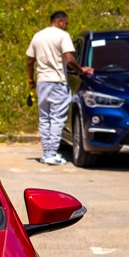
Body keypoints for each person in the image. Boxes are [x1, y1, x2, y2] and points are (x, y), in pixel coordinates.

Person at [26, 10, 91, 165]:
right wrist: (81, 70)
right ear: (60, 21)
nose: (66, 26)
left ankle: (46, 153)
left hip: (42, 82)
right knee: (57, 118)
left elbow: (30, 61)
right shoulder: (62, 36)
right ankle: (52, 153)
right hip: (57, 81)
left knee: (44, 118)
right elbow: (69, 59)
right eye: (66, 23)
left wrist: (31, 80)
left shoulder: (38, 36)